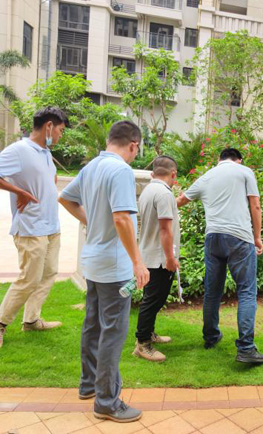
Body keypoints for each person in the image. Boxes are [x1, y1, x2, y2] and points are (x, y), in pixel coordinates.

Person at [59, 120, 150, 423]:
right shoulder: (120, 170)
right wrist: (138, 261)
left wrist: (92, 221)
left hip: (94, 262)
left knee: (93, 325)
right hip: (114, 266)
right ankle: (107, 402)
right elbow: (122, 218)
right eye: (137, 150)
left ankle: (89, 385)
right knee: (113, 331)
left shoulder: (91, 167)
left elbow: (65, 198)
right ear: (133, 145)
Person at [177, 147, 263, 363]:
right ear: (239, 160)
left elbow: (179, 201)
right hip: (239, 238)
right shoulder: (244, 171)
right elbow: (255, 205)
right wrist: (257, 237)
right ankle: (246, 348)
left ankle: (210, 337)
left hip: (213, 238)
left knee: (212, 291)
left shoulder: (207, 176)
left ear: (219, 159)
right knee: (246, 291)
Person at [0, 107, 69, 348]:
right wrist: (18, 191)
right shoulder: (19, 150)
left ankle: (31, 320)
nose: (61, 135)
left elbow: (48, 179)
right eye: (60, 130)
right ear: (49, 126)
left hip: (51, 226)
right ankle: (1, 323)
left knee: (48, 274)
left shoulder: (45, 152)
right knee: (29, 279)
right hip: (31, 227)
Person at [133, 155, 180, 363]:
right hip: (159, 257)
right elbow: (165, 229)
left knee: (153, 298)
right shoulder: (164, 193)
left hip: (149, 253)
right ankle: (143, 344)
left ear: (153, 172)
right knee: (153, 300)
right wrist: (170, 258)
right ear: (173, 174)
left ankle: (149, 334)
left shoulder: (149, 190)